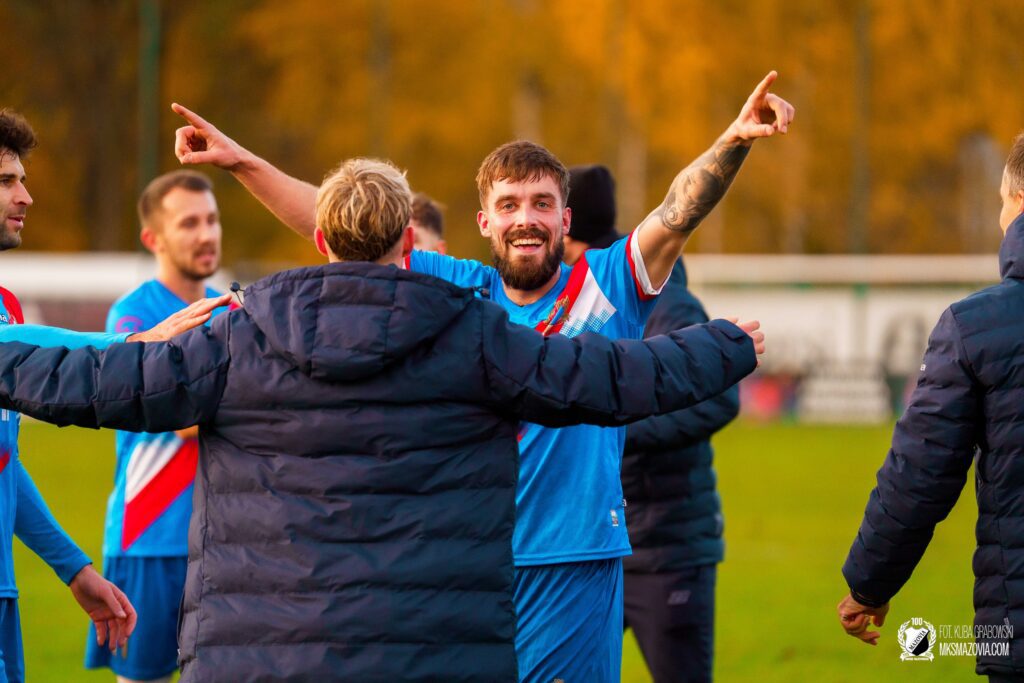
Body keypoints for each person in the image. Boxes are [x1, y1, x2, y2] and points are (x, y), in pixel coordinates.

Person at [0, 156, 762, 681]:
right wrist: (722, 346)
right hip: (427, 646)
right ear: (409, 243)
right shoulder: (475, 335)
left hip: (267, 652)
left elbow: (90, 383)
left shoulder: (237, 334)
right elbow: (607, 376)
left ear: (321, 239)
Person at [170, 70, 792, 681]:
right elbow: (346, 224)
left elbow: (677, 212)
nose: (527, 219)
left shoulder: (605, 284)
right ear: (485, 222)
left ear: (566, 220)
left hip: (573, 562)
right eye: (509, 205)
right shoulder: (457, 289)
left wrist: (734, 139)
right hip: (465, 566)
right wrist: (240, 162)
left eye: (542, 204)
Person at [838, 133, 1024, 682]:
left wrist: (869, 583)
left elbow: (919, 474)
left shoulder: (975, 325)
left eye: (1002, 201)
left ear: (1019, 200)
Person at [563, 164, 739, 683]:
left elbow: (719, 397)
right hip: (593, 544)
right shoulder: (573, 299)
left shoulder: (666, 303)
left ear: (569, 232)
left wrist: (614, 427)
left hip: (665, 549)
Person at [0, 108, 141, 683]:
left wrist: (74, 570)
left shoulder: (7, 306)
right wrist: (129, 345)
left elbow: (4, 465)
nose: (26, 196)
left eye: (22, 180)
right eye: (6, 181)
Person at [83, 170, 233, 683]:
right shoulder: (133, 317)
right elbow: (173, 409)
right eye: (189, 223)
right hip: (149, 537)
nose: (206, 234)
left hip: (221, 540)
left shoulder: (230, 310)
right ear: (154, 238)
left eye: (211, 220)